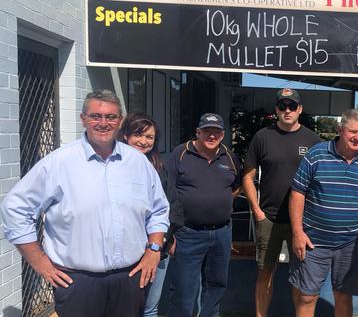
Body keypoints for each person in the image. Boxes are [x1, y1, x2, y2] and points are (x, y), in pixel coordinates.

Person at [0, 89, 169, 317]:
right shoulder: (59, 163)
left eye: (110, 117)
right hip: (78, 283)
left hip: (129, 279)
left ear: (119, 121)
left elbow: (158, 210)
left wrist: (154, 249)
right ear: (83, 119)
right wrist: (40, 262)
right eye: (95, 116)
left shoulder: (138, 163)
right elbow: (15, 208)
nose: (103, 123)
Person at [289, 109, 358, 317]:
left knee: (343, 295)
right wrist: (297, 232)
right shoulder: (317, 154)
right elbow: (297, 192)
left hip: (351, 244)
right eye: (352, 131)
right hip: (314, 242)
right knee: (307, 296)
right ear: (341, 130)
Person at [242, 88, 321, 317]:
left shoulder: (312, 140)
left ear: (300, 109)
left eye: (292, 106)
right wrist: (256, 210)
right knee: (265, 272)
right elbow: (248, 175)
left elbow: (320, 178)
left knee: (301, 275)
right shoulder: (262, 137)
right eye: (282, 106)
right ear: (276, 109)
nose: (287, 110)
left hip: (302, 223)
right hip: (269, 217)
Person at [167, 113, 242, 317]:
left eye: (216, 132)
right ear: (197, 132)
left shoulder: (229, 156)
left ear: (223, 134)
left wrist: (219, 204)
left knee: (215, 288)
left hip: (222, 234)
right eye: (207, 131)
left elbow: (237, 186)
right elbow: (168, 192)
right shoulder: (180, 154)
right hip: (188, 233)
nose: (211, 136)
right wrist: (170, 231)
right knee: (184, 292)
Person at [118, 112, 172, 317]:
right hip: (126, 251)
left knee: (150, 308)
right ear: (126, 136)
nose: (143, 141)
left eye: (149, 137)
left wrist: (169, 237)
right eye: (138, 135)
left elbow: (170, 204)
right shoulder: (113, 166)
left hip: (157, 248)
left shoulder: (159, 167)